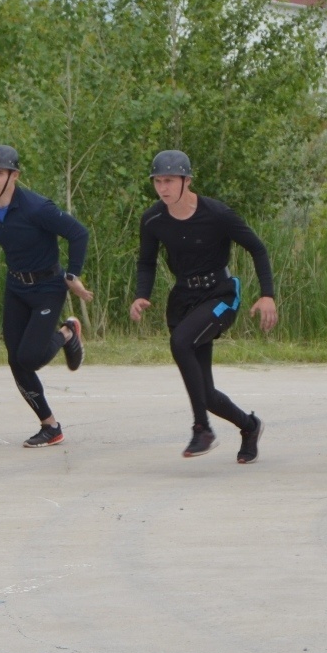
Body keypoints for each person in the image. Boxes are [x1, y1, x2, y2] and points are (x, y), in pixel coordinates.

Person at [129, 150, 278, 462]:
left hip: (221, 296)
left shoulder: (217, 213)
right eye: (158, 181)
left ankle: (202, 429)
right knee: (206, 393)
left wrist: (267, 295)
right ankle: (249, 426)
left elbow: (257, 249)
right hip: (183, 300)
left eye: (169, 180)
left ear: (187, 180)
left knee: (180, 342)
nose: (163, 188)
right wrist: (141, 294)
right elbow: (146, 262)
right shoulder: (153, 219)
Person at [0, 145, 92, 447]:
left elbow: (78, 233)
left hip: (48, 287)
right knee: (15, 360)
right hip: (16, 287)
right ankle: (50, 426)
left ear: (14, 176)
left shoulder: (36, 208)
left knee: (29, 357)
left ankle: (68, 333)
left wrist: (72, 275)